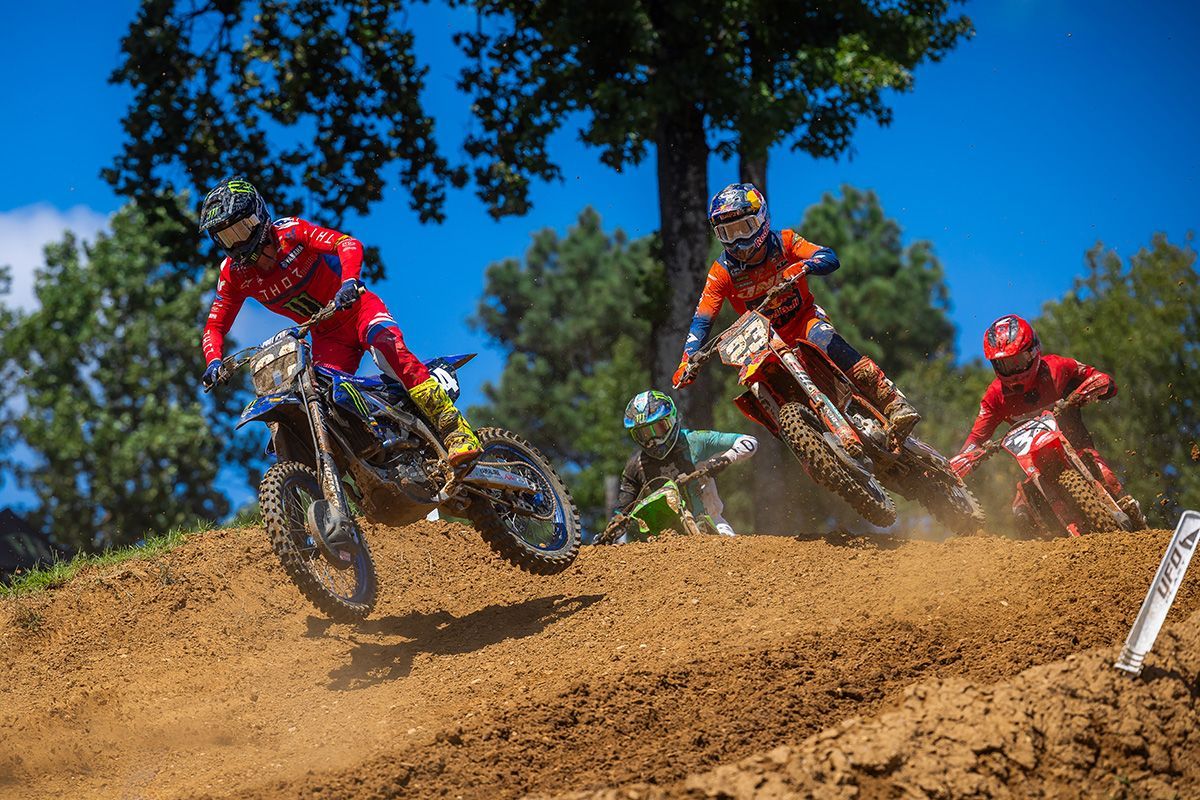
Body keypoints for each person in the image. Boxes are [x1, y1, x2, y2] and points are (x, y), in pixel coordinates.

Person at [197, 177, 482, 466]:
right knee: (321, 397)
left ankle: (454, 429)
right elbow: (215, 326)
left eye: (240, 230)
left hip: (358, 309)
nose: (237, 243)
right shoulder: (233, 275)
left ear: (258, 216)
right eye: (226, 237)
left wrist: (349, 281)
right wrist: (213, 361)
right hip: (326, 335)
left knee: (386, 348)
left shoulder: (291, 232)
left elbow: (347, 243)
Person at [672, 183, 920, 439]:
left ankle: (893, 402)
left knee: (823, 338)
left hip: (804, 320)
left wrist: (804, 267)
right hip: (763, 341)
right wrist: (687, 360)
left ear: (760, 219)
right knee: (753, 382)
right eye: (728, 232)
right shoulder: (721, 272)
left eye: (743, 228)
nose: (737, 240)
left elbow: (828, 256)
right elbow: (702, 319)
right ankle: (805, 440)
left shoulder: (785, 241)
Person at [948, 314, 1144, 528]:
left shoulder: (1058, 367)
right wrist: (959, 464)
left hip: (1078, 447)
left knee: (1107, 477)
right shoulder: (995, 396)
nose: (1013, 371)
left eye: (1018, 361)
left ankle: (1134, 518)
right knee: (1020, 511)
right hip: (1035, 467)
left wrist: (1096, 388)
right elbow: (975, 439)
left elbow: (1102, 379)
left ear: (1033, 351)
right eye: (1004, 365)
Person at [608, 390, 758, 539]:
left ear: (671, 419)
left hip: (713, 523)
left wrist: (724, 459)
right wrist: (611, 531)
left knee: (728, 547)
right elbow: (622, 511)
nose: (652, 440)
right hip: (666, 538)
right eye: (644, 434)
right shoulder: (635, 465)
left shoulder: (695, 440)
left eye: (658, 429)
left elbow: (749, 442)